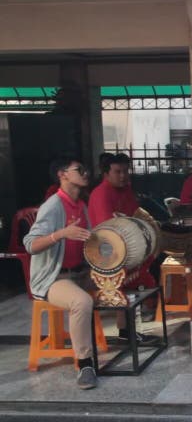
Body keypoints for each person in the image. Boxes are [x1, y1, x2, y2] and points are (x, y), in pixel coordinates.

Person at [23, 157, 147, 390]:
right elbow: (30, 244)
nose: (86, 173)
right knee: (81, 302)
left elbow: (90, 239)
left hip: (80, 272)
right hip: (54, 278)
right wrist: (60, 234)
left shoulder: (81, 203)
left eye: (86, 169)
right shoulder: (53, 206)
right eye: (79, 170)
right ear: (63, 174)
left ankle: (127, 333)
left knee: (120, 275)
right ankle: (85, 364)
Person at [87, 153, 157, 292]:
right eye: (118, 172)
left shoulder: (126, 190)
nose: (123, 176)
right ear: (106, 173)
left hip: (127, 244)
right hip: (108, 250)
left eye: (125, 171)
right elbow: (109, 230)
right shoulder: (101, 193)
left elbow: (136, 216)